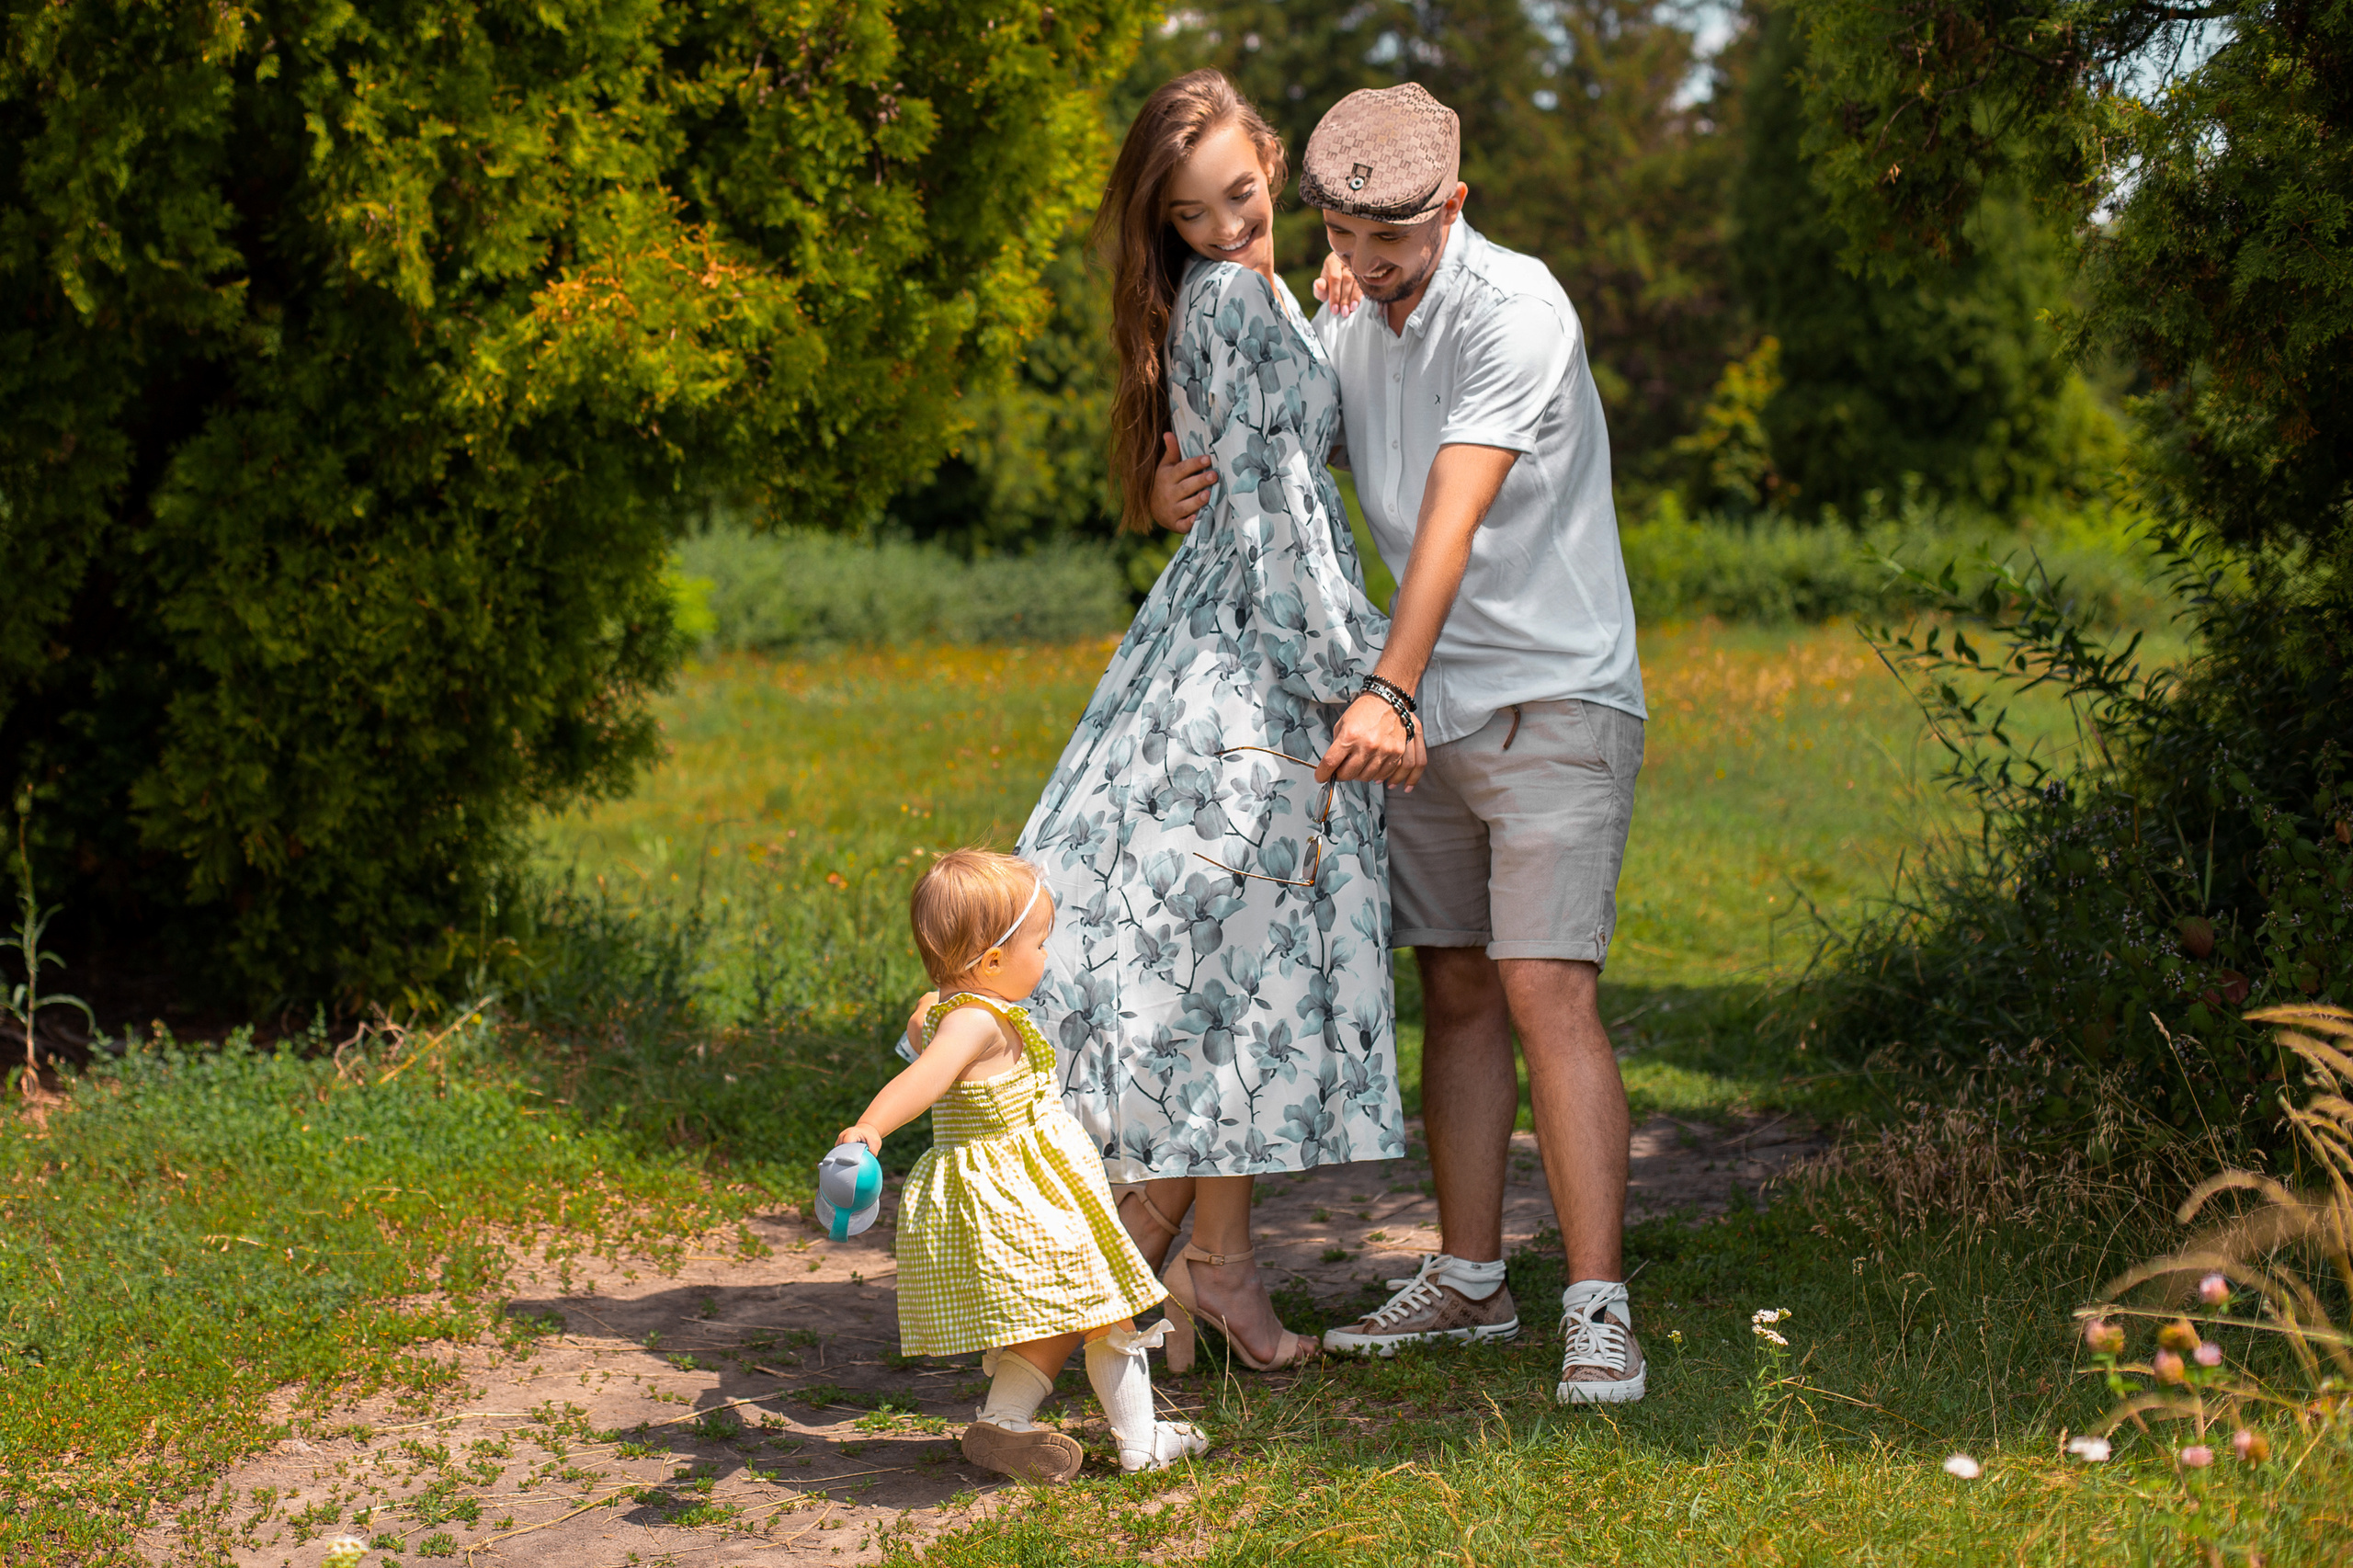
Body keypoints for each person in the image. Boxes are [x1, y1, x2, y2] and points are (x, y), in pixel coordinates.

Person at [1152, 83, 1649, 1404]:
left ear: (1455, 207)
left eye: (1397, 244)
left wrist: (1389, 686)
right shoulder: (1345, 313)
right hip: (1421, 712)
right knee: (1460, 986)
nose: (1370, 269)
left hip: (1550, 691)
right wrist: (1164, 480)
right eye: (1347, 239)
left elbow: (1451, 512)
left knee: (1549, 988)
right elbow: (1264, 435)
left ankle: (1597, 1304)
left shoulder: (1517, 310)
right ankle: (1471, 1278)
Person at [1013, 69, 1412, 1374]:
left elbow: (1270, 451)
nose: (1230, 229)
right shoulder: (1238, 296)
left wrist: (1334, 313)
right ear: (1167, 227)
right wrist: (1364, 675)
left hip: (1217, 634)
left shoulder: (1258, 292)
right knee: (1235, 967)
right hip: (1260, 655)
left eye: (1243, 196)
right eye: (1193, 217)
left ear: (1274, 167)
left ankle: (1214, 1276)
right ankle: (1099, 1293)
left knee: (1245, 971)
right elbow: (1291, 503)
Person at [836, 849, 1209, 1482]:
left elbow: (925, 1041)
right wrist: (870, 1127)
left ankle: (1005, 1424)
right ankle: (1142, 1443)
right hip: (1024, 1197)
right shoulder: (975, 1022)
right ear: (991, 962)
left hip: (1015, 1194)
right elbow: (924, 1078)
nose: (1046, 955)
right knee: (1105, 1309)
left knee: (1067, 1313)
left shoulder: (939, 1011)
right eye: (1040, 942)